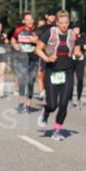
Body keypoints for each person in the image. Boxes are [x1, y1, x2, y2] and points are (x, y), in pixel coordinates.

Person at [35, 11, 80, 140]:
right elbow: (38, 49)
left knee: (64, 103)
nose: (64, 25)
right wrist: (47, 58)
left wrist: (78, 54)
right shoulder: (50, 33)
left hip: (68, 71)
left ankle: (57, 131)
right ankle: (46, 112)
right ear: (57, 23)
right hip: (52, 71)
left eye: (66, 23)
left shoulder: (72, 34)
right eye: (61, 23)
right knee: (52, 105)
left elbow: (75, 49)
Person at [10, 12, 40, 113]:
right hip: (21, 59)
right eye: (27, 20)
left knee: (31, 81)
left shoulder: (37, 31)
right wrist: (15, 45)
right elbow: (13, 39)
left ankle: (28, 105)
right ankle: (21, 103)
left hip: (34, 59)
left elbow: (43, 43)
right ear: (23, 21)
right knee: (22, 81)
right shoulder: (19, 30)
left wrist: (36, 42)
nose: (30, 21)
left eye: (31, 19)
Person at [71, 24, 86, 108]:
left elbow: (85, 48)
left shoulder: (83, 38)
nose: (77, 30)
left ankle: (79, 98)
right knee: (70, 81)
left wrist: (84, 47)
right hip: (71, 60)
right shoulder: (69, 37)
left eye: (78, 28)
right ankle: (69, 99)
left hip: (80, 60)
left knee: (80, 80)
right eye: (75, 28)